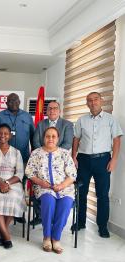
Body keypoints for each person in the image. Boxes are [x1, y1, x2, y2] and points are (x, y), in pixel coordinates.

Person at [72, 92, 123, 238]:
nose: (93, 102)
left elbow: (117, 140)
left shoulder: (110, 119)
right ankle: (80, 222)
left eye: (95, 99)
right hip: (83, 160)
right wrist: (73, 157)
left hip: (103, 160)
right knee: (81, 192)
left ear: (101, 101)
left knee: (102, 195)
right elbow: (76, 139)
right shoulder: (81, 120)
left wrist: (114, 160)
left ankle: (102, 226)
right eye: (89, 100)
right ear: (87, 103)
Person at [26, 127, 77, 253]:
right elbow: (29, 172)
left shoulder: (65, 153)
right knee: (48, 201)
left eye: (53, 136)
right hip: (44, 188)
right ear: (43, 138)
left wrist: (61, 186)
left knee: (66, 204)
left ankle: (56, 238)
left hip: (64, 188)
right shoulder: (36, 153)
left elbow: (72, 175)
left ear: (58, 139)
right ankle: (47, 237)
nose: (50, 139)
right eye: (48, 136)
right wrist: (41, 182)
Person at [0, 124, 26, 249]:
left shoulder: (17, 152)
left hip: (12, 181)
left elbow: (19, 173)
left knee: (14, 196)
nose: (3, 136)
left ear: (10, 136)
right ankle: (6, 235)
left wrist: (7, 183)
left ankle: (1, 231)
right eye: (0, 133)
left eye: (6, 133)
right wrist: (0, 183)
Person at [31, 100, 74, 225]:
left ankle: (55, 219)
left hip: (60, 163)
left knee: (62, 194)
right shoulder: (40, 124)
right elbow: (36, 142)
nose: (52, 110)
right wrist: (45, 152)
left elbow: (67, 143)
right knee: (41, 186)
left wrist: (55, 152)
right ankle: (40, 216)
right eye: (49, 108)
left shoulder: (67, 124)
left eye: (55, 108)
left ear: (59, 110)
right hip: (42, 161)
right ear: (46, 111)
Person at [0, 93, 34, 164]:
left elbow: (33, 135)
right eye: (11, 101)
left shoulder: (27, 116)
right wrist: (3, 138)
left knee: (22, 175)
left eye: (16, 100)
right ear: (6, 103)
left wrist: (34, 153)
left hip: (23, 157)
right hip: (3, 157)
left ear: (19, 102)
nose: (14, 103)